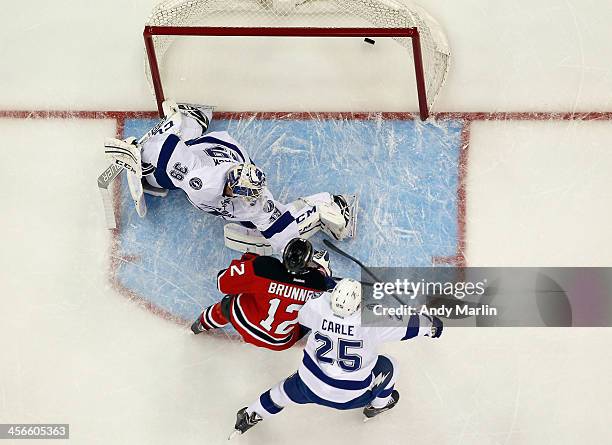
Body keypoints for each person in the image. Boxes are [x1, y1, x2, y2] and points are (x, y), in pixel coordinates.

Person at [104, 101, 357, 253]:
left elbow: (281, 231)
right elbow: (169, 144)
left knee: (275, 238)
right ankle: (194, 120)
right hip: (216, 150)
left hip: (237, 176)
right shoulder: (193, 171)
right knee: (173, 157)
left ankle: (331, 206)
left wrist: (240, 186)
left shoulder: (224, 192)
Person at [229, 278, 443, 438]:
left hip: (308, 385)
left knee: (282, 392)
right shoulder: (372, 318)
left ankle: (250, 415)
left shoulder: (318, 306)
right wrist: (432, 325)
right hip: (349, 397)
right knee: (391, 366)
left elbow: (305, 310)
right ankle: (378, 405)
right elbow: (410, 325)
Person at [191, 238, 335, 351]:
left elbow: (222, 283)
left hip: (245, 325)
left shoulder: (265, 267)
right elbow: (332, 297)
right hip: (281, 342)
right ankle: (323, 270)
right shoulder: (318, 283)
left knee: (227, 304)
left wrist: (249, 262)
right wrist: (324, 276)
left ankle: (201, 325)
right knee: (313, 314)